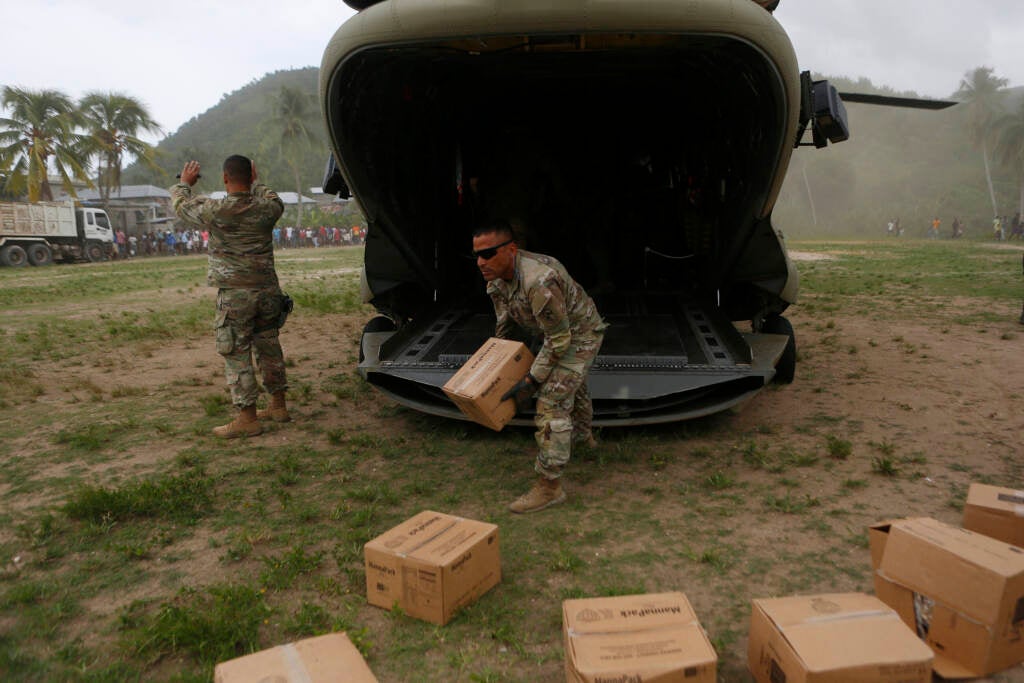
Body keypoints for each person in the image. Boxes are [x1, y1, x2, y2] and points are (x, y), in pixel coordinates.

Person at [473, 221, 607, 513]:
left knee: (551, 400)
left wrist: (531, 381)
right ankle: (583, 438)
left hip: (580, 335)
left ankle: (549, 487)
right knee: (570, 383)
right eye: (477, 255)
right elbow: (505, 325)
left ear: (510, 249)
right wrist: (498, 364)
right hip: (554, 334)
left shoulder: (539, 281)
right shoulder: (496, 279)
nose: (481, 262)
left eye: (488, 253)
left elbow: (560, 340)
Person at [170, 156, 291, 438]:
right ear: (251, 177)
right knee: (269, 346)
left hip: (236, 293)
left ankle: (247, 418)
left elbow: (181, 206)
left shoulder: (215, 210)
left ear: (225, 178)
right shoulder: (268, 207)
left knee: (236, 353)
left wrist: (184, 184)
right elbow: (271, 195)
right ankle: (278, 406)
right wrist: (256, 182)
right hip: (268, 290)